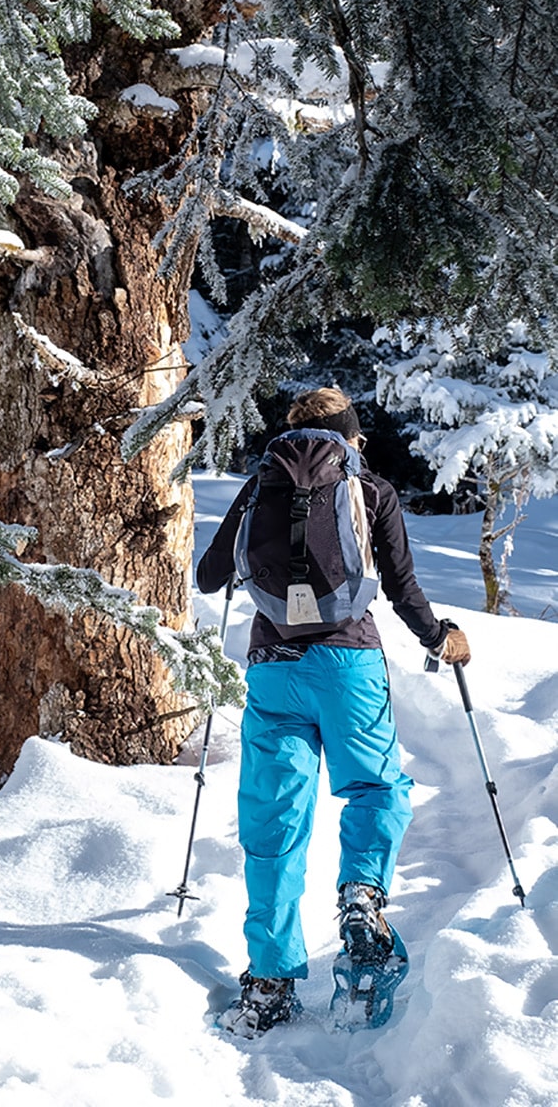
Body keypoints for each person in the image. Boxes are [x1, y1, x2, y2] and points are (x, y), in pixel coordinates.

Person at [197, 386, 470, 1036]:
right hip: (347, 663)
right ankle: (361, 899)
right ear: (351, 435)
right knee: (375, 789)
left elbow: (209, 578)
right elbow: (401, 589)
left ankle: (268, 977)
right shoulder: (367, 487)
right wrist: (441, 639)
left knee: (274, 822)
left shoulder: (261, 482)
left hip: (271, 671)